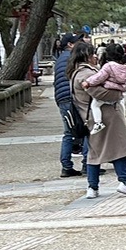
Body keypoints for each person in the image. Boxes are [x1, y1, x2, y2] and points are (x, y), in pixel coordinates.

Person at [71, 45, 126, 198]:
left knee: (94, 154)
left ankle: (92, 187)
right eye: (93, 54)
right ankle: (124, 182)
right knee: (118, 149)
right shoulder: (87, 74)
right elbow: (103, 94)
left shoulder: (77, 73)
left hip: (90, 118)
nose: (96, 56)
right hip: (106, 117)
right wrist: (120, 92)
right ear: (87, 55)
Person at [78, 43, 126, 135]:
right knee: (121, 103)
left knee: (95, 105)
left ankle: (98, 123)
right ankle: (123, 118)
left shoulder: (109, 66)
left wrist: (88, 82)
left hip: (108, 90)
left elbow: (99, 77)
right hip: (119, 90)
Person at [54, 34, 88, 177]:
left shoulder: (60, 58)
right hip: (73, 97)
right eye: (77, 41)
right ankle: (88, 163)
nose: (80, 43)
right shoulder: (73, 58)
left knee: (69, 132)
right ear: (70, 44)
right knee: (87, 129)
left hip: (61, 98)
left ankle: (66, 165)